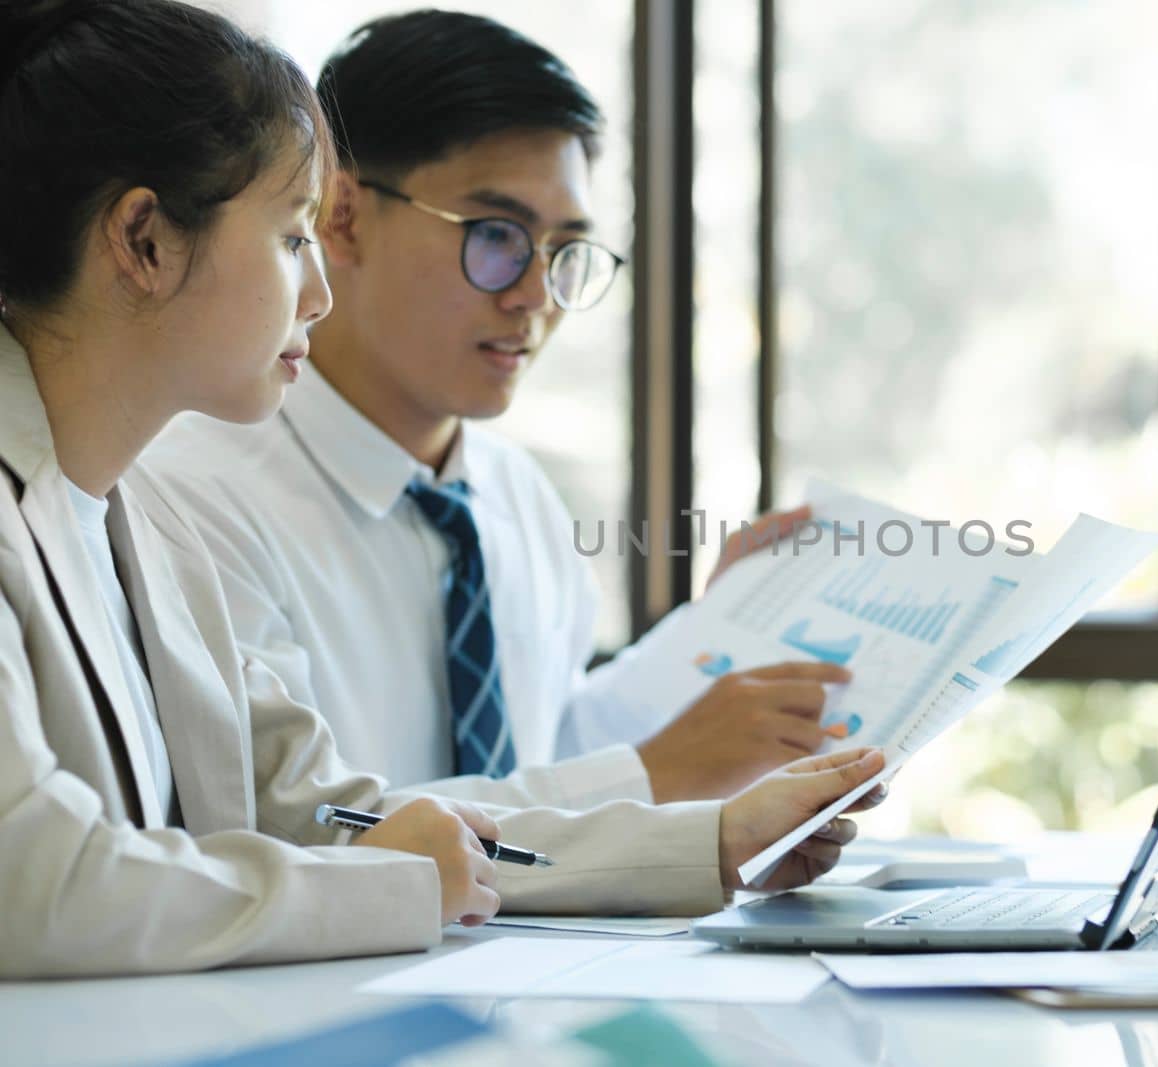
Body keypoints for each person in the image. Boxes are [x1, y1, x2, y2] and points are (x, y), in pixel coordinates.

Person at [0, 0, 883, 978]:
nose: (317, 289)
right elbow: (33, 879)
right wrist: (396, 882)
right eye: (293, 237)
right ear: (146, 240)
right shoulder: (173, 494)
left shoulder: (143, 524)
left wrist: (707, 841)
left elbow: (332, 812)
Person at [143, 8, 842, 808]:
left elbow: (550, 752)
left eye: (563, 251)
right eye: (497, 235)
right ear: (341, 215)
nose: (536, 297)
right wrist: (652, 776)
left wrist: (712, 639)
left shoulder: (518, 497)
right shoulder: (196, 497)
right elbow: (306, 829)